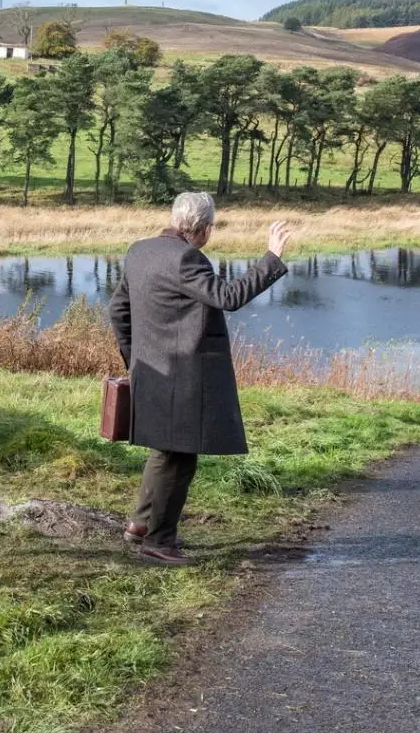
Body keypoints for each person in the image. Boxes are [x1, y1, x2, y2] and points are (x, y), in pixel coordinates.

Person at [109, 192, 295, 565]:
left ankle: (141, 525)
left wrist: (136, 361)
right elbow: (228, 296)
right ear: (205, 229)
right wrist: (272, 258)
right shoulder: (186, 258)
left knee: (164, 450)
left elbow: (118, 311)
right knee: (180, 458)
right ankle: (159, 542)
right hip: (182, 378)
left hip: (152, 371)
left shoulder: (140, 251)